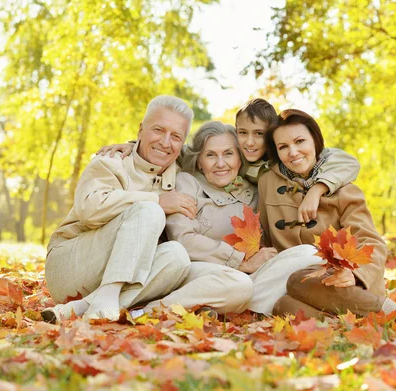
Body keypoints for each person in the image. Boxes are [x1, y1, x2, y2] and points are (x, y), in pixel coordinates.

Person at [42, 96, 250, 324]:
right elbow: (89, 209)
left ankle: (96, 307)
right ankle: (105, 297)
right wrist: (157, 200)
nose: (165, 142)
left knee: (183, 258)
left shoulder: (178, 166)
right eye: (158, 130)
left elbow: (216, 150)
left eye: (176, 136)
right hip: (73, 266)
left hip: (133, 272)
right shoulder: (111, 161)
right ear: (141, 129)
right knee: (150, 211)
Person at [95, 98, 362, 224]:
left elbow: (344, 160)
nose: (249, 143)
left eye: (259, 135)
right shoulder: (235, 154)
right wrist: (134, 145)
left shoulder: (279, 156)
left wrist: (317, 189)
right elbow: (182, 151)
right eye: (242, 134)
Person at [164, 121, 325, 314]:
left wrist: (319, 188)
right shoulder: (187, 183)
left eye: (228, 153)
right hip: (204, 273)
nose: (221, 163)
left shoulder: (256, 189)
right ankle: (155, 309)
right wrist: (240, 261)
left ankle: (230, 308)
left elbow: (327, 157)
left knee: (309, 254)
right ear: (199, 161)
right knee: (238, 284)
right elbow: (183, 240)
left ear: (240, 158)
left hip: (249, 278)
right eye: (210, 155)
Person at [257, 109, 396, 318]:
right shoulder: (267, 183)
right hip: (292, 287)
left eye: (300, 141)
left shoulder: (345, 190)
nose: (293, 152)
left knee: (297, 281)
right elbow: (262, 235)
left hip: (341, 281)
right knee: (283, 305)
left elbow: (371, 243)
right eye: (283, 147)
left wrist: (355, 274)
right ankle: (353, 325)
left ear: (315, 141)